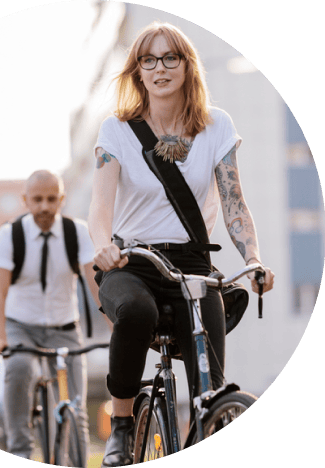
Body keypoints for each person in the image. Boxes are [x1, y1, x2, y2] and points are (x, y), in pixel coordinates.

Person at [88, 22, 275, 467]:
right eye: (148, 60)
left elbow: (234, 202)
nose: (159, 68)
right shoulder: (116, 130)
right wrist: (103, 246)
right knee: (136, 312)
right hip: (132, 261)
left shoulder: (217, 126)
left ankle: (206, 429)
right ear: (137, 71)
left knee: (210, 383)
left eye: (170, 57)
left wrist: (253, 259)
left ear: (187, 65)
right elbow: (100, 208)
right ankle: (122, 425)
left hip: (193, 268)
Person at [0, 170, 99, 461]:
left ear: (61, 199)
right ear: (26, 200)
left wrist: (118, 326)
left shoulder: (78, 233)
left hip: (65, 327)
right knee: (19, 368)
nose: (44, 207)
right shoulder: (10, 235)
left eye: (51, 199)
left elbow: (97, 286)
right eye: (37, 200)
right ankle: (21, 451)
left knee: (76, 404)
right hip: (20, 326)